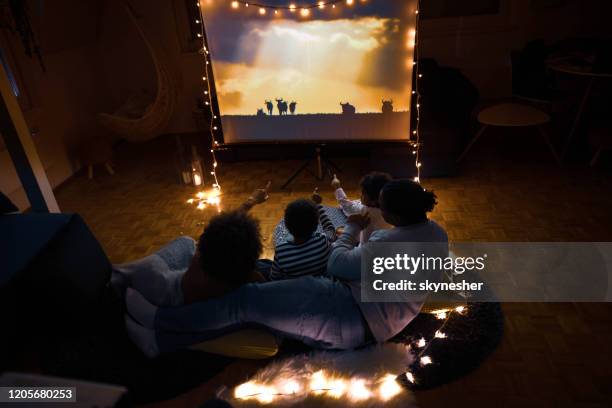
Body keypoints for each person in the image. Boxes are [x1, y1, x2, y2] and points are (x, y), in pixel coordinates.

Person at [124, 179, 448, 358]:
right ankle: (165, 336)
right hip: (365, 320)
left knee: (245, 300)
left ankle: (160, 326)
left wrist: (349, 230)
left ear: (394, 214)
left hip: (346, 312)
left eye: (379, 204)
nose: (373, 207)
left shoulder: (388, 243)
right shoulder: (436, 233)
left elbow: (337, 264)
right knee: (254, 301)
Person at [112, 182, 271, 307]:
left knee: (186, 242)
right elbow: (262, 285)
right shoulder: (241, 278)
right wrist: (251, 202)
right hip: (182, 286)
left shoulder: (151, 274)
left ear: (200, 253)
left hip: (161, 285)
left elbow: (212, 236)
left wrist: (249, 203)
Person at [265, 189, 336, 280]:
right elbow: (330, 230)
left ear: (286, 225)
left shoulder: (281, 251)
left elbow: (274, 277)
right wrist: (318, 205)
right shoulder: (322, 240)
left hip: (295, 289)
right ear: (316, 225)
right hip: (322, 284)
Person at [331, 172, 391, 243]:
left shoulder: (364, 211)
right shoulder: (388, 208)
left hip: (365, 248)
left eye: (363, 193)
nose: (360, 195)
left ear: (373, 201)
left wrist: (337, 187)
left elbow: (347, 207)